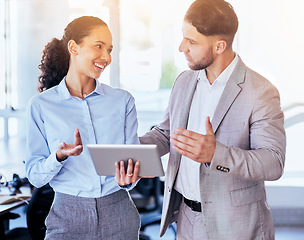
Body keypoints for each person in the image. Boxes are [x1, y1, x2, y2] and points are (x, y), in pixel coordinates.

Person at [139, 0, 286, 239]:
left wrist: (215, 154)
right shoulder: (184, 81)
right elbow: (167, 135)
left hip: (235, 226)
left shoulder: (260, 91)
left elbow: (273, 162)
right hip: (185, 218)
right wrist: (132, 151)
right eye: (183, 37)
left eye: (192, 42)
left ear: (219, 46)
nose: (181, 48)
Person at [25, 16, 140, 240]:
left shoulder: (122, 101)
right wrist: (57, 157)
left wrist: (128, 179)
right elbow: (35, 176)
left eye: (110, 49)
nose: (106, 57)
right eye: (98, 46)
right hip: (68, 215)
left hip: (118, 212)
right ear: (73, 47)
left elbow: (131, 162)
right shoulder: (41, 106)